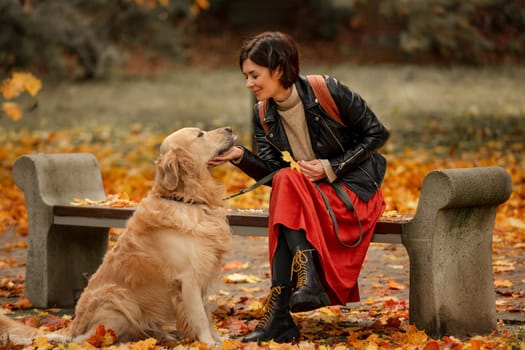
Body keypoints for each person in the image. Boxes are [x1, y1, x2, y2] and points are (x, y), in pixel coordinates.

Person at [209, 31, 390, 343]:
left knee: (287, 190)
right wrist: (240, 156)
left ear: (278, 69)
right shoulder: (263, 111)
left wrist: (331, 167)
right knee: (285, 181)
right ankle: (303, 282)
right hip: (313, 196)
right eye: (246, 76)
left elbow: (377, 134)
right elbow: (274, 173)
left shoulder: (326, 90)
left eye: (254, 75)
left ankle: (281, 312)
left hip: (354, 193)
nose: (248, 84)